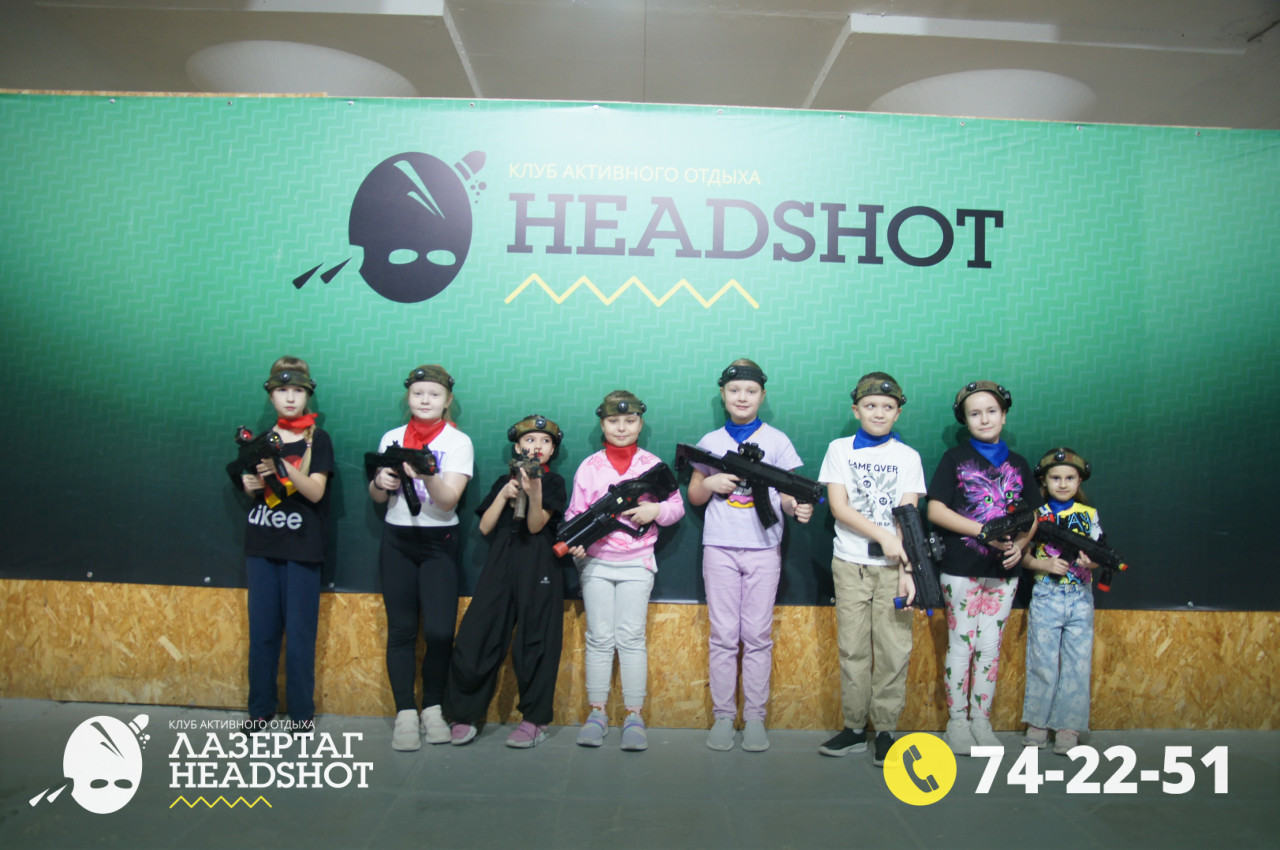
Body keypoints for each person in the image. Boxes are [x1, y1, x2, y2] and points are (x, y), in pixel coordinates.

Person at [685, 360, 811, 753]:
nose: (742, 397)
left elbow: (787, 493)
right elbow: (695, 496)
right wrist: (711, 481)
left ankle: (754, 718)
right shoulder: (711, 441)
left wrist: (795, 506)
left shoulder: (777, 440)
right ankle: (724, 717)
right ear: (723, 394)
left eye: (751, 391)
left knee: (757, 636)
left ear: (763, 395)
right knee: (723, 636)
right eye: (735, 390)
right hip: (719, 547)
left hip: (764, 549)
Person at [564, 390, 685, 752]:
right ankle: (597, 713)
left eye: (629, 420)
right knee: (600, 638)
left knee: (631, 639)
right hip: (596, 564)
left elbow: (676, 506)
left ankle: (634, 715)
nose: (621, 427)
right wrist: (576, 542)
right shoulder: (589, 466)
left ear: (640, 424)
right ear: (602, 424)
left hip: (637, 562)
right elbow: (574, 513)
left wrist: (655, 511)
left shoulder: (651, 465)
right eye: (613, 421)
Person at [816, 373, 926, 766]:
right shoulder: (839, 450)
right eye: (870, 405)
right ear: (856, 410)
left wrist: (907, 568)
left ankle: (886, 731)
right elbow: (839, 507)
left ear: (898, 413)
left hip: (893, 568)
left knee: (894, 650)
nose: (879, 412)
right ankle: (853, 728)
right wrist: (883, 535)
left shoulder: (908, 457)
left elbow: (908, 516)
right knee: (853, 649)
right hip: (850, 564)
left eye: (888, 407)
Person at [926, 381, 1039, 755]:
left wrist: (1020, 545)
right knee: (961, 644)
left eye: (991, 411)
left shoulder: (1019, 464)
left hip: (1004, 571)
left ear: (1004, 416)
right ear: (965, 419)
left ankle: (981, 720)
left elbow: (1034, 515)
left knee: (990, 647)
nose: (984, 419)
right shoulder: (954, 459)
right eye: (975, 413)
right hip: (962, 567)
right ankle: (957, 722)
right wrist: (983, 532)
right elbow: (935, 510)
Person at [444, 415, 568, 749]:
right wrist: (504, 494)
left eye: (545, 441)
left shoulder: (554, 482)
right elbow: (485, 528)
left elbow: (536, 526)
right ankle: (463, 714)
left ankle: (534, 720)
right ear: (517, 447)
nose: (537, 446)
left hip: (539, 561)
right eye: (530, 440)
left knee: (535, 641)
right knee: (477, 634)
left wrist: (534, 492)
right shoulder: (504, 480)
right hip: (501, 559)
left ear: (553, 450)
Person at [369, 365, 473, 752]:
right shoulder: (392, 438)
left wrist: (427, 475)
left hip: (439, 542)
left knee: (440, 632)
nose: (425, 400)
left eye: (433, 394)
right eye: (417, 393)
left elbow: (448, 501)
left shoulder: (458, 442)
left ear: (447, 400)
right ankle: (405, 713)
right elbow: (377, 497)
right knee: (401, 630)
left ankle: (432, 707)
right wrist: (380, 482)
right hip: (397, 539)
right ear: (408, 398)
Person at [238, 357, 333, 735]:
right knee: (262, 633)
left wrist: (282, 464)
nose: (290, 398)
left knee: (299, 635)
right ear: (271, 395)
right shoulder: (260, 440)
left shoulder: (318, 440)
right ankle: (259, 710)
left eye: (297, 391)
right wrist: (250, 484)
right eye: (282, 390)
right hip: (262, 545)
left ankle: (301, 713)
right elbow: (251, 485)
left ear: (308, 395)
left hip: (302, 549)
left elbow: (315, 491)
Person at [1021, 447, 1103, 755]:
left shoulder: (1089, 515)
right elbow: (1023, 556)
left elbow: (1098, 554)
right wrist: (1044, 564)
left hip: (1080, 596)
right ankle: (1038, 723)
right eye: (1056, 478)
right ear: (1044, 481)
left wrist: (1090, 561)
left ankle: (1069, 726)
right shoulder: (1037, 515)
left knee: (1077, 664)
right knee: (1042, 662)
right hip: (1047, 594)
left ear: (1079, 481)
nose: (1063, 483)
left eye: (1070, 478)